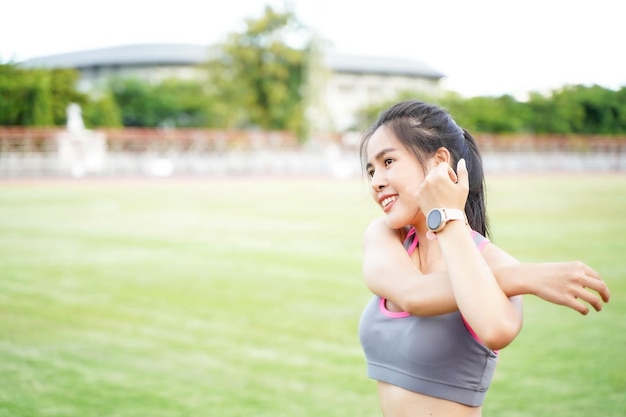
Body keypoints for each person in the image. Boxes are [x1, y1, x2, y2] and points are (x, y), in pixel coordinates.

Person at [357, 100, 610, 417]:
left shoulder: (492, 263)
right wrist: (523, 278)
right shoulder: (384, 236)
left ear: (439, 161)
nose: (376, 181)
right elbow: (413, 295)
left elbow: (495, 330)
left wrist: (448, 217)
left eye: (388, 161)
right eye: (371, 170)